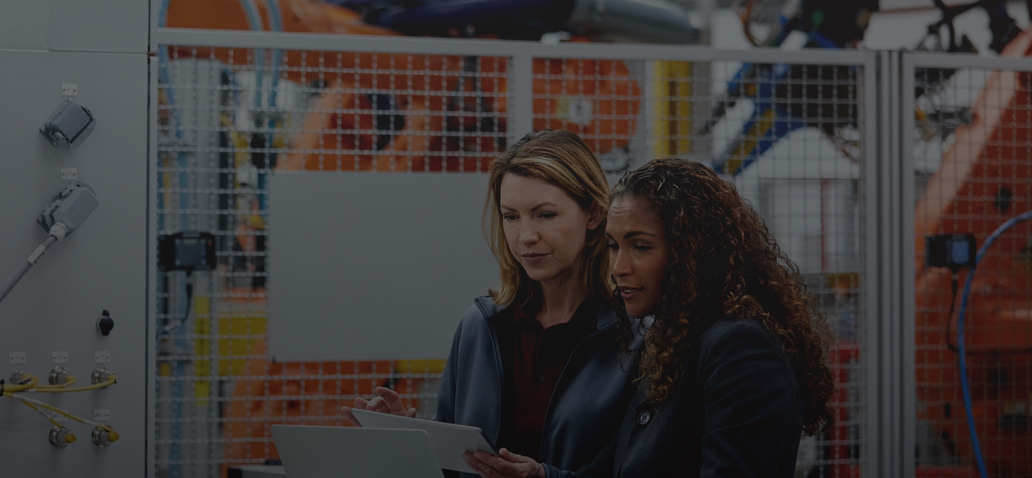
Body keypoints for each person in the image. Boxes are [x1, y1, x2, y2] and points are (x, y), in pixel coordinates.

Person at [467, 158, 834, 478]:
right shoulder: (671, 341)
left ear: (693, 251)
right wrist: (539, 475)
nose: (618, 267)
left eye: (640, 246)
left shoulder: (740, 348)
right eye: (613, 246)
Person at [342, 130, 644, 478]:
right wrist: (409, 443)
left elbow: (647, 466)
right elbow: (451, 465)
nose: (525, 236)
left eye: (545, 215)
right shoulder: (480, 326)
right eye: (511, 216)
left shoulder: (637, 337)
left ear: (594, 214)